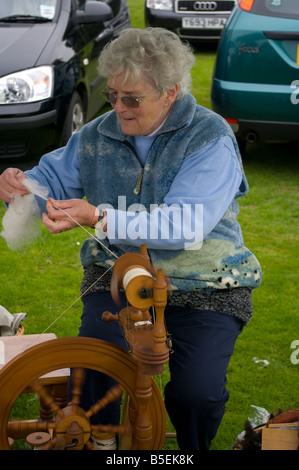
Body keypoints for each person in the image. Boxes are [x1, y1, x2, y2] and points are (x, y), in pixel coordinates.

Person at [0, 27, 262, 450]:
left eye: (132, 99)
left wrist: (99, 215)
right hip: (117, 277)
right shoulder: (97, 135)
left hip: (208, 283)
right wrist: (20, 186)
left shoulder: (209, 138)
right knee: (94, 371)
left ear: (170, 93)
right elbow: (50, 176)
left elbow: (185, 225)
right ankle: (100, 443)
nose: (118, 107)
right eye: (114, 95)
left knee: (198, 394)